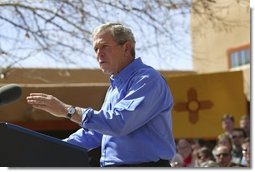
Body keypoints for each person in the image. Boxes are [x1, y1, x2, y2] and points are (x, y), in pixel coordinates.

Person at [26, 22, 176, 167]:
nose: (99, 54)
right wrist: (54, 148)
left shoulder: (147, 80)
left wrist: (67, 110)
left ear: (126, 47)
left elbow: (119, 123)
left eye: (104, 46)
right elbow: (97, 133)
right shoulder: (115, 87)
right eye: (96, 49)